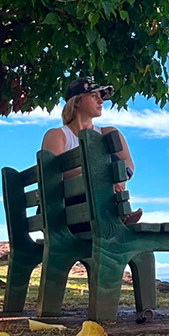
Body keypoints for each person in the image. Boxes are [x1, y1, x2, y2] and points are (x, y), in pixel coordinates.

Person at [40, 76, 140, 225]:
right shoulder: (57, 135)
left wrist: (120, 178)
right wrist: (104, 180)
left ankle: (115, 217)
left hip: (97, 206)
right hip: (64, 213)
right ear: (77, 101)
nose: (101, 101)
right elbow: (53, 174)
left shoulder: (109, 133)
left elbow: (128, 165)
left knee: (114, 163)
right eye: (94, 96)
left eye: (101, 97)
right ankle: (116, 217)